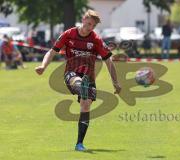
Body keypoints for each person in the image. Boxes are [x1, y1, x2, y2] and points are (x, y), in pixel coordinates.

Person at [35, 10, 121, 151]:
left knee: (85, 107)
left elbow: (108, 62)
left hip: (89, 76)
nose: (89, 27)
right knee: (78, 83)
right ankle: (83, 87)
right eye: (88, 24)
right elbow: (52, 51)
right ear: (83, 19)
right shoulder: (69, 34)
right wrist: (43, 66)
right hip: (71, 73)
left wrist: (115, 82)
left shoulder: (96, 40)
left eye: (92, 26)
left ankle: (79, 144)